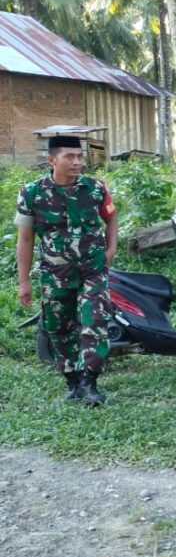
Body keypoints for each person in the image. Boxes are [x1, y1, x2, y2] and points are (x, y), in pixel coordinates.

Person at [15, 133, 117, 406]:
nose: (77, 162)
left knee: (94, 320)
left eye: (80, 157)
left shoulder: (95, 188)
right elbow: (25, 239)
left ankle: (90, 382)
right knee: (59, 327)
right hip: (55, 273)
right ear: (52, 160)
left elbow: (110, 218)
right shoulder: (32, 193)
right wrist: (23, 282)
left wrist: (110, 250)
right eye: (70, 157)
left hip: (92, 270)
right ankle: (72, 381)